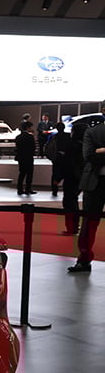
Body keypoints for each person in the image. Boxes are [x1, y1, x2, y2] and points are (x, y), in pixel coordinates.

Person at [69, 100, 105, 274]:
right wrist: (96, 152)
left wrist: (101, 150)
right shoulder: (92, 131)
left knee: (89, 224)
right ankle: (83, 259)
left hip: (94, 180)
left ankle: (83, 260)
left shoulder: (92, 132)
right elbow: (89, 155)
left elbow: (92, 154)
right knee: (89, 223)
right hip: (94, 183)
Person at [62, 122, 87, 236]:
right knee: (74, 200)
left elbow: (67, 163)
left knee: (69, 202)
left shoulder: (71, 146)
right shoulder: (87, 146)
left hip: (71, 176)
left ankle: (72, 227)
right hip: (82, 176)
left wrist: (59, 176)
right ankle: (75, 225)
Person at [46, 120, 71, 195]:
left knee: (55, 174)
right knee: (67, 174)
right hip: (67, 158)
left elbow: (49, 146)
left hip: (56, 157)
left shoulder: (54, 137)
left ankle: (54, 189)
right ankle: (66, 189)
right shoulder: (68, 136)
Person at [14, 121, 35, 195]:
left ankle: (19, 189)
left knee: (22, 173)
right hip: (28, 157)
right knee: (29, 174)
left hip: (21, 157)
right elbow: (33, 148)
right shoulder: (30, 137)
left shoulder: (18, 137)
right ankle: (28, 189)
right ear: (28, 128)